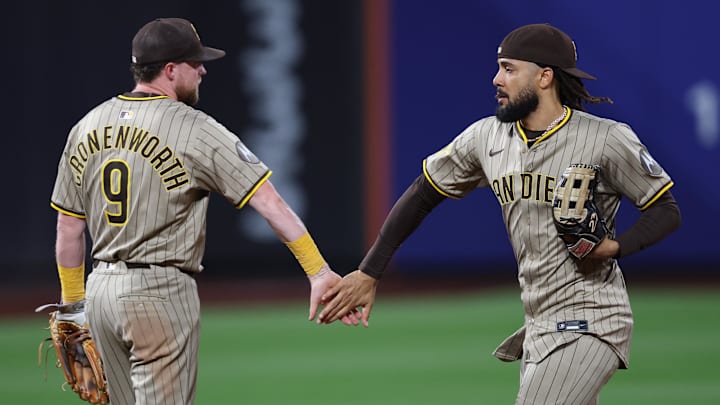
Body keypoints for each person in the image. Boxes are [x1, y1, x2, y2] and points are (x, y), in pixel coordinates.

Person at [318, 23, 681, 404]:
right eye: (499, 68)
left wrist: (615, 247)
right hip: (538, 325)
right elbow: (422, 193)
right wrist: (370, 271)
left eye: (509, 68)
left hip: (591, 319)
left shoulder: (606, 138)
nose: (496, 78)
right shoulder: (486, 137)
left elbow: (665, 209)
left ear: (544, 76)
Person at [49, 17, 356, 404]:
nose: (203, 69)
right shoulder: (195, 128)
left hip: (100, 293)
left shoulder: (86, 126)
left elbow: (68, 227)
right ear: (170, 69)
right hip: (159, 292)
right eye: (195, 63)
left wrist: (75, 306)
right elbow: (269, 202)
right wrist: (318, 270)